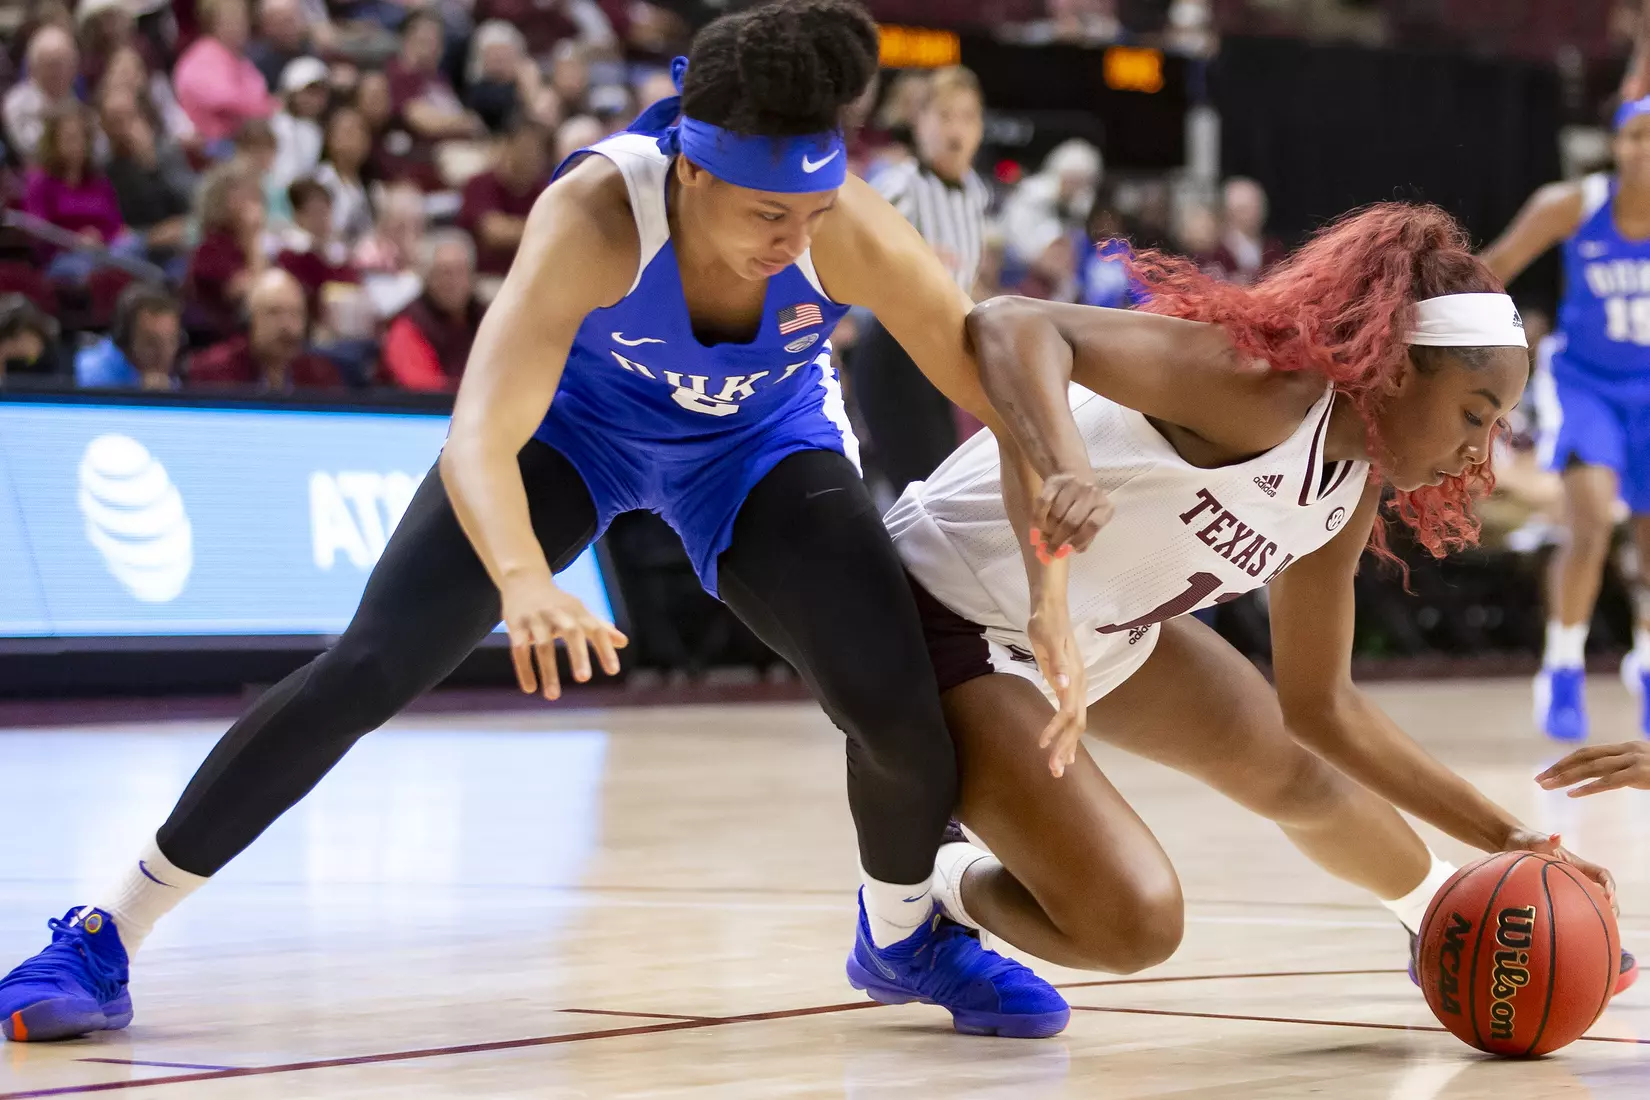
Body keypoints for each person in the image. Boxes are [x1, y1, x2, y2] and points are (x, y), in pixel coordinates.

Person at [0, 0, 1103, 1045]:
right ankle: (106, 929)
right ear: (690, 166)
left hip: (757, 444)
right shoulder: (592, 214)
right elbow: (480, 429)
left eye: (809, 213)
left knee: (901, 705)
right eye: (768, 214)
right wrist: (524, 577)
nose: (792, 238)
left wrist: (1049, 586)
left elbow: (1003, 393)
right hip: (575, 433)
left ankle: (904, 934)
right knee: (369, 665)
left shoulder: (844, 226)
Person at [883, 204, 1638, 996]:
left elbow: (1324, 710)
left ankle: (1441, 918)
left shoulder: (1349, 485)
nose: (1477, 453)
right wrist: (1063, 466)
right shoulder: (1262, 391)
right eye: (1473, 416)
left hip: (1092, 630)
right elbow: (1012, 325)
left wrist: (1510, 839)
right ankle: (936, 883)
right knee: (1135, 923)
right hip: (950, 605)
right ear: (1399, 367)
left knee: (1302, 772)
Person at [1480, 82, 1650, 740]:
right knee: (1588, 524)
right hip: (1585, 384)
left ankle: (1644, 663)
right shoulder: (1574, 204)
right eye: (1636, 136)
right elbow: (1492, 268)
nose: (1646, 150)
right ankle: (1562, 668)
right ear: (1616, 145)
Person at [852, 67, 991, 496]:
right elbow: (856, 257)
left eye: (967, 117)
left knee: (942, 486)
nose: (956, 129)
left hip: (938, 354)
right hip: (894, 351)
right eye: (945, 115)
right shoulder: (900, 185)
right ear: (921, 122)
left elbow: (962, 281)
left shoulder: (974, 192)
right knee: (922, 491)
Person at [187, 268, 342, 390]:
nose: (286, 325)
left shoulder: (321, 376)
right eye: (274, 312)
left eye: (295, 314)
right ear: (250, 319)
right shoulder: (213, 372)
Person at [380, 229, 483, 391]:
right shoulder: (409, 324)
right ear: (427, 278)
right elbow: (420, 387)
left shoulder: (485, 318)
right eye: (444, 273)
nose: (453, 282)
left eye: (460, 271)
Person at [172, 0, 276, 147]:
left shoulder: (238, 55)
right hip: (216, 146)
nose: (239, 26)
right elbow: (226, 100)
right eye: (231, 20)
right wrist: (268, 107)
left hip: (249, 137)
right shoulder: (202, 56)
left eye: (242, 19)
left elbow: (258, 92)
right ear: (212, 22)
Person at [458, 117, 550, 277]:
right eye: (525, 147)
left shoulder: (547, 189)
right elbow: (494, 233)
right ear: (508, 146)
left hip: (533, 279)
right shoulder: (479, 184)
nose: (531, 155)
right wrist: (542, 229)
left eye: (538, 149)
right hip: (486, 280)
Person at [74, 283, 182, 390]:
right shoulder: (88, 374)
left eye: (171, 341)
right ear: (125, 342)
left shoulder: (173, 381)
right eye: (151, 342)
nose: (163, 353)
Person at [3, 25, 78, 163]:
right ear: (34, 67)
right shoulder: (17, 103)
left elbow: (98, 151)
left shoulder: (77, 102)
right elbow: (30, 147)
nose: (59, 71)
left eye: (65, 64)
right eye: (52, 65)